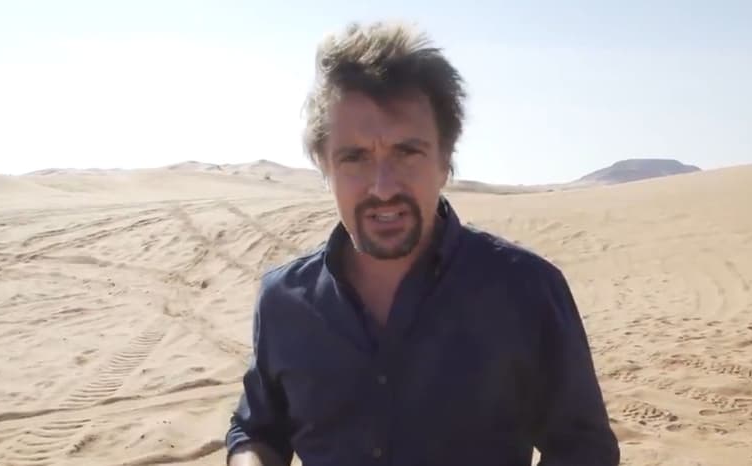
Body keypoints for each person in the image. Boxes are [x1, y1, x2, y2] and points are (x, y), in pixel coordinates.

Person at [225, 20, 620, 466]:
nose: (382, 187)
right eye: (355, 157)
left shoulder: (526, 290)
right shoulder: (284, 301)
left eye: (407, 152)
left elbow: (582, 448)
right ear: (324, 166)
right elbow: (257, 429)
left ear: (445, 160)